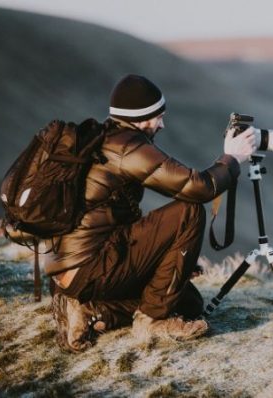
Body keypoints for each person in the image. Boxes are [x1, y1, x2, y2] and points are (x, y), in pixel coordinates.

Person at [47, 74, 256, 352]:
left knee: (188, 303)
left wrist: (167, 258)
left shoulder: (102, 139)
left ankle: (92, 311)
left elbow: (114, 218)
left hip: (70, 269)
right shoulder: (128, 148)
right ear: (144, 117)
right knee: (189, 211)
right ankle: (152, 322)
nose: (162, 124)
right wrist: (231, 158)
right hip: (93, 267)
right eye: (159, 116)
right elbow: (198, 188)